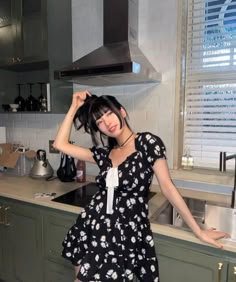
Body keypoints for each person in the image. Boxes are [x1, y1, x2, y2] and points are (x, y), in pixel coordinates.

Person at [53, 90, 230, 282]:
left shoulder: (147, 143)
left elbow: (167, 187)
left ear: (122, 112)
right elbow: (60, 144)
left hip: (123, 233)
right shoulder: (105, 154)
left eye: (109, 114)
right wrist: (73, 107)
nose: (107, 123)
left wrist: (198, 230)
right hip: (92, 226)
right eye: (100, 122)